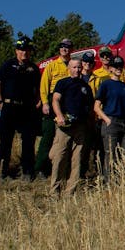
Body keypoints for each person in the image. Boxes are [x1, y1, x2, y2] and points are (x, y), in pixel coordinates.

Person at [0, 36, 40, 180]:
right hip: (9, 107)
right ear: (16, 51)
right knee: (6, 141)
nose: (24, 52)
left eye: (26, 50)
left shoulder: (34, 68)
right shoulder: (8, 65)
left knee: (28, 142)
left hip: (27, 109)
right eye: (21, 50)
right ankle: (2, 172)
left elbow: (38, 88)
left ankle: (27, 172)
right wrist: (0, 102)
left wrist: (37, 102)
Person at [49, 59, 94, 195]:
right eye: (74, 67)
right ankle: (54, 191)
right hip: (64, 126)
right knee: (59, 157)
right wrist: (60, 115)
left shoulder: (86, 87)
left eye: (79, 67)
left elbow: (90, 107)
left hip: (80, 127)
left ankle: (70, 192)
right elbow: (55, 100)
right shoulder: (62, 83)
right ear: (69, 68)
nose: (77, 70)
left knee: (77, 159)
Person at [93, 56, 125, 183]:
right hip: (111, 122)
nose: (119, 69)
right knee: (110, 155)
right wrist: (107, 120)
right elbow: (96, 107)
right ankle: (108, 182)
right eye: (116, 66)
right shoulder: (105, 84)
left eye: (120, 66)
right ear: (111, 69)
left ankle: (124, 182)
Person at [35, 38, 73, 179]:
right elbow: (44, 85)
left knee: (65, 137)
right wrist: (45, 103)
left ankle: (63, 169)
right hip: (53, 101)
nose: (65, 49)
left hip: (67, 102)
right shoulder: (51, 66)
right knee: (48, 135)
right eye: (62, 46)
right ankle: (40, 168)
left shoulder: (73, 65)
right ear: (59, 49)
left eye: (68, 47)